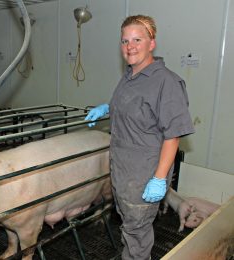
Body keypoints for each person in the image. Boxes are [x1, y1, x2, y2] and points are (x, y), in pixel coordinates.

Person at [85, 15, 195, 259]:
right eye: (124, 41)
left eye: (137, 39)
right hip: (122, 172)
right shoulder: (129, 76)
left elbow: (173, 136)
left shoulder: (166, 82)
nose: (130, 46)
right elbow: (138, 109)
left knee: (137, 235)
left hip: (142, 176)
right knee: (130, 229)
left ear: (152, 43)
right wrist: (108, 107)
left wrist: (158, 179)